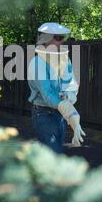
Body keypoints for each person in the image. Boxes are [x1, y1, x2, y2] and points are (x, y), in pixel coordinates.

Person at [27, 22, 86, 153]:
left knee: (55, 154)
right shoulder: (37, 63)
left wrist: (70, 96)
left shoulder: (64, 60)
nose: (62, 42)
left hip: (60, 116)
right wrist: (70, 112)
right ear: (46, 39)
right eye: (58, 38)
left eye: (62, 38)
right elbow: (47, 95)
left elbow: (71, 83)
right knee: (53, 156)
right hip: (43, 115)